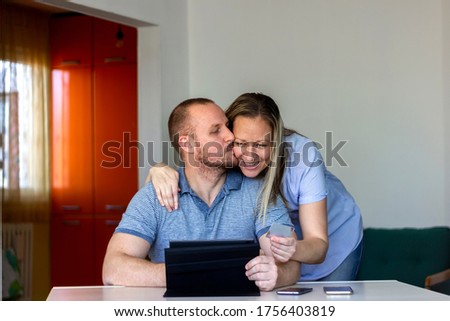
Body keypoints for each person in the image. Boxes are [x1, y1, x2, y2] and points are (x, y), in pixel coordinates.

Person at [147, 93, 363, 281]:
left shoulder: (302, 157)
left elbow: (318, 245)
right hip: (284, 244)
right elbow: (198, 162)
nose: (249, 155)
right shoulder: (226, 152)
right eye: (240, 143)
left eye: (260, 145)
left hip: (332, 238)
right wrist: (156, 170)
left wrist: (291, 247)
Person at [102, 97, 300, 291]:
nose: (230, 136)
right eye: (216, 130)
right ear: (187, 144)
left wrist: (278, 274)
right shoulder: (154, 196)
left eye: (227, 126)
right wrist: (195, 274)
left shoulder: (260, 192)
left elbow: (291, 264)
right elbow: (113, 269)